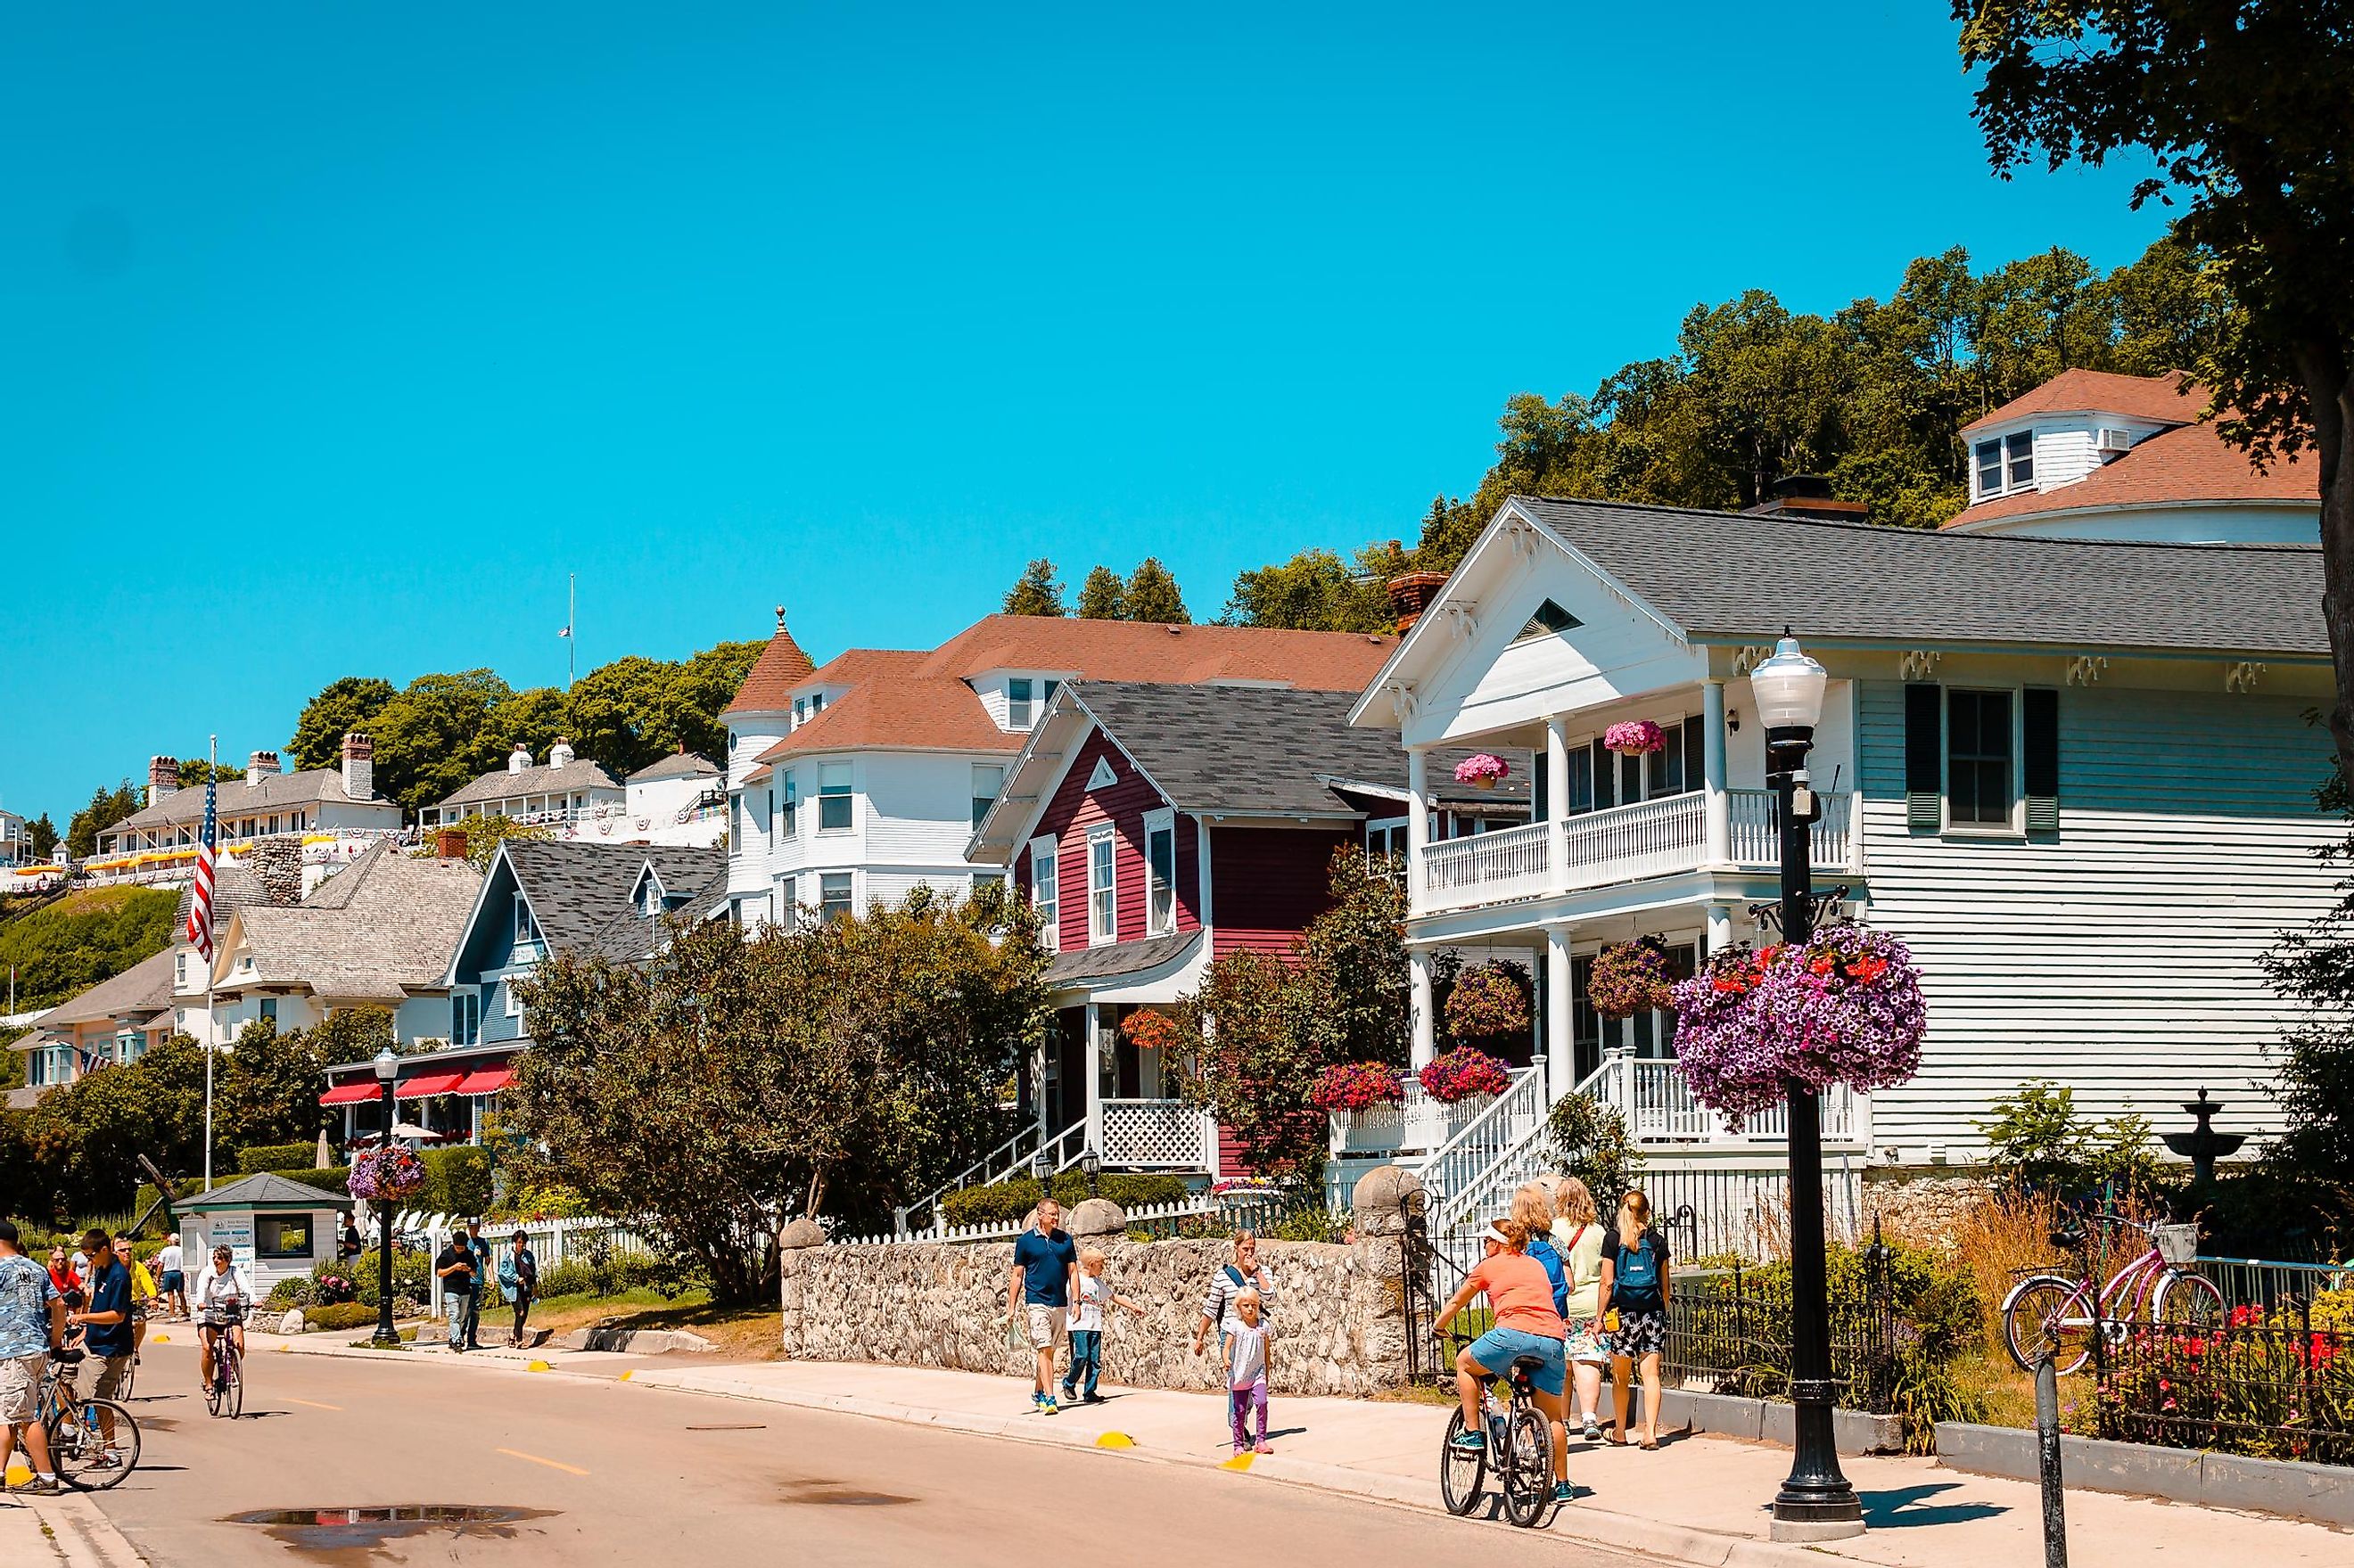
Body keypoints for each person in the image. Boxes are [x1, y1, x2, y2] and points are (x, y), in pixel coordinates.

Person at [1435, 1219, 1572, 1506]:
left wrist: (1439, 1326)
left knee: (1464, 1363)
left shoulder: (1489, 1266)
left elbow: (1457, 1302)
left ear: (1497, 1243)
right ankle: (1562, 1485)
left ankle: (1472, 1432)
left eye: (1486, 1240)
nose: (1484, 1246)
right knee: (1553, 1418)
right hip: (1552, 1340)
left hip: (1512, 1335)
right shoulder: (1536, 1264)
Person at [1596, 1188, 1672, 1449]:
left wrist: (1598, 1317)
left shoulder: (1613, 1239)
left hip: (1621, 1312)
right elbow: (1665, 1285)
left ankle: (1619, 1431)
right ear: (1647, 1212)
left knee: (1621, 1375)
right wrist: (1663, 1310)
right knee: (1651, 1374)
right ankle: (1650, 1433)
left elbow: (1607, 1282)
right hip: (1652, 1312)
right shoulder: (1658, 1241)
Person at [0, 1219, 65, 1495]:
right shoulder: (37, 1268)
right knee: (8, 1414)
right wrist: (54, 1340)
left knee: (25, 1417)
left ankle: (47, 1477)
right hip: (37, 1349)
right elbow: (59, 1304)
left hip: (13, 1350)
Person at [66, 1229, 133, 1467]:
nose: (89, 1261)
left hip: (110, 1347)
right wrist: (85, 1331)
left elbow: (117, 1315)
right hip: (94, 1341)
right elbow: (97, 1303)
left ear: (105, 1250)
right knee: (63, 1374)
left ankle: (98, 1444)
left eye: (91, 1255)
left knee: (92, 1397)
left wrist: (85, 1319)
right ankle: (74, 1433)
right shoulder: (102, 1270)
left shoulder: (119, 1276)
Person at [1007, 1197, 1077, 1416]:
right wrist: (1012, 1306)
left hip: (1059, 1303)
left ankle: (1038, 1390)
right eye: (1052, 1214)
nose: (1056, 1217)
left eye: (1057, 1214)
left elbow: (1073, 1271)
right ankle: (1049, 1397)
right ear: (1040, 1215)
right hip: (1036, 1301)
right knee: (1044, 1348)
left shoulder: (1065, 1240)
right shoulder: (1026, 1242)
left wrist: (1077, 1300)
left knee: (1048, 1353)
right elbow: (1017, 1275)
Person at [1552, 1178, 1610, 1441]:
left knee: (1560, 1365)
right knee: (1587, 1361)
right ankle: (1589, 1418)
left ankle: (1560, 1420)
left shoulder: (1552, 1230)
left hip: (1561, 1304)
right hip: (1590, 1304)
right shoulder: (1598, 1232)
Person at [1058, 1246, 1143, 1407]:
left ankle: (1089, 1391)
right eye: (1101, 1265)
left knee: (1095, 1361)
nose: (1103, 1268)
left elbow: (1114, 1297)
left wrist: (1133, 1307)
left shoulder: (1097, 1283)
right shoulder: (1075, 1280)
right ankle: (1069, 1383)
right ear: (1091, 1264)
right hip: (1079, 1325)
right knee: (1081, 1356)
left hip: (1095, 1326)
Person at [1191, 1231, 1275, 1360]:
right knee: (1236, 1378)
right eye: (1245, 1249)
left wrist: (1257, 1272)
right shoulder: (1223, 1276)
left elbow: (1272, 1299)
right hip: (1231, 1333)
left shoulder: (1263, 1272)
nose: (1249, 1253)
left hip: (1255, 1333)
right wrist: (1200, 1338)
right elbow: (1211, 1309)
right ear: (1236, 1248)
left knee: (1258, 1377)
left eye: (1252, 1249)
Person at [193, 1244, 252, 1393]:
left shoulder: (235, 1272)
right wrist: (200, 1302)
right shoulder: (208, 1273)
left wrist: (254, 1301)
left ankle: (230, 1368)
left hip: (230, 1315)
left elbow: (246, 1289)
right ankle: (208, 1384)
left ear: (228, 1260)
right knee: (207, 1348)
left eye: (219, 1258)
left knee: (239, 1345)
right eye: (214, 1257)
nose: (216, 1260)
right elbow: (201, 1288)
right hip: (209, 1316)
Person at [1225, 1288, 1273, 1457]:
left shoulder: (1263, 1326)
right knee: (1239, 1411)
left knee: (1262, 1403)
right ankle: (1238, 1444)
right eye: (1246, 1305)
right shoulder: (1236, 1326)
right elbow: (1227, 1347)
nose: (1250, 1309)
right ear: (1239, 1307)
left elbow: (1267, 1350)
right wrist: (1226, 1360)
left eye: (1254, 1305)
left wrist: (1267, 1368)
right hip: (1240, 1375)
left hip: (1258, 1373)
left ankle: (1261, 1441)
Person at [1515, 1184, 1570, 1318]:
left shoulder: (1515, 1245)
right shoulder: (1554, 1241)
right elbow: (1570, 1284)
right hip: (1553, 1313)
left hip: (1526, 1315)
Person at [113, 1237, 156, 1367]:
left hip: (134, 1302)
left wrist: (153, 1297)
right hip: (117, 1303)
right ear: (116, 1253)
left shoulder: (138, 1267)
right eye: (123, 1250)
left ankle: (135, 1348)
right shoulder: (112, 1268)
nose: (127, 1252)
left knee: (141, 1322)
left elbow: (147, 1282)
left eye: (129, 1249)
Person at [434, 1232, 478, 1352]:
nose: (459, 1250)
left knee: (462, 1316)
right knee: (454, 1314)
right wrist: (454, 1267)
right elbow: (439, 1273)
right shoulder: (446, 1255)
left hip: (465, 1289)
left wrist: (467, 1269)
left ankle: (452, 1337)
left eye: (462, 1248)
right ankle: (457, 1339)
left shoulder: (469, 1255)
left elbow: (475, 1273)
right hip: (450, 1289)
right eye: (458, 1248)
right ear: (453, 1245)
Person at [497, 1231, 539, 1349]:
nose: (521, 1245)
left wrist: (535, 1287)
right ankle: (519, 1340)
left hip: (526, 1288)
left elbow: (533, 1272)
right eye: (519, 1242)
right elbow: (502, 1272)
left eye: (523, 1243)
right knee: (520, 1312)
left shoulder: (528, 1256)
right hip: (514, 1289)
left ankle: (513, 1335)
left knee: (523, 1315)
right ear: (515, 1242)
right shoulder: (508, 1256)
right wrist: (515, 1278)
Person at [461, 1219, 495, 1351]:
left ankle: (471, 1339)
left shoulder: (483, 1242)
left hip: (479, 1281)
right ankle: (458, 1336)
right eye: (471, 1227)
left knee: (475, 1311)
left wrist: (491, 1277)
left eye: (476, 1227)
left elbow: (488, 1261)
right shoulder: (465, 1243)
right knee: (466, 1311)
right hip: (467, 1282)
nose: (474, 1229)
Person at [156, 1236, 187, 1322]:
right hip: (179, 1272)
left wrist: (157, 1276)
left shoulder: (166, 1250)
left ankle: (172, 1315)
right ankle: (185, 1313)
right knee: (181, 1293)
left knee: (170, 1294)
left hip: (168, 1273)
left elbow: (161, 1264)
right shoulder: (182, 1250)